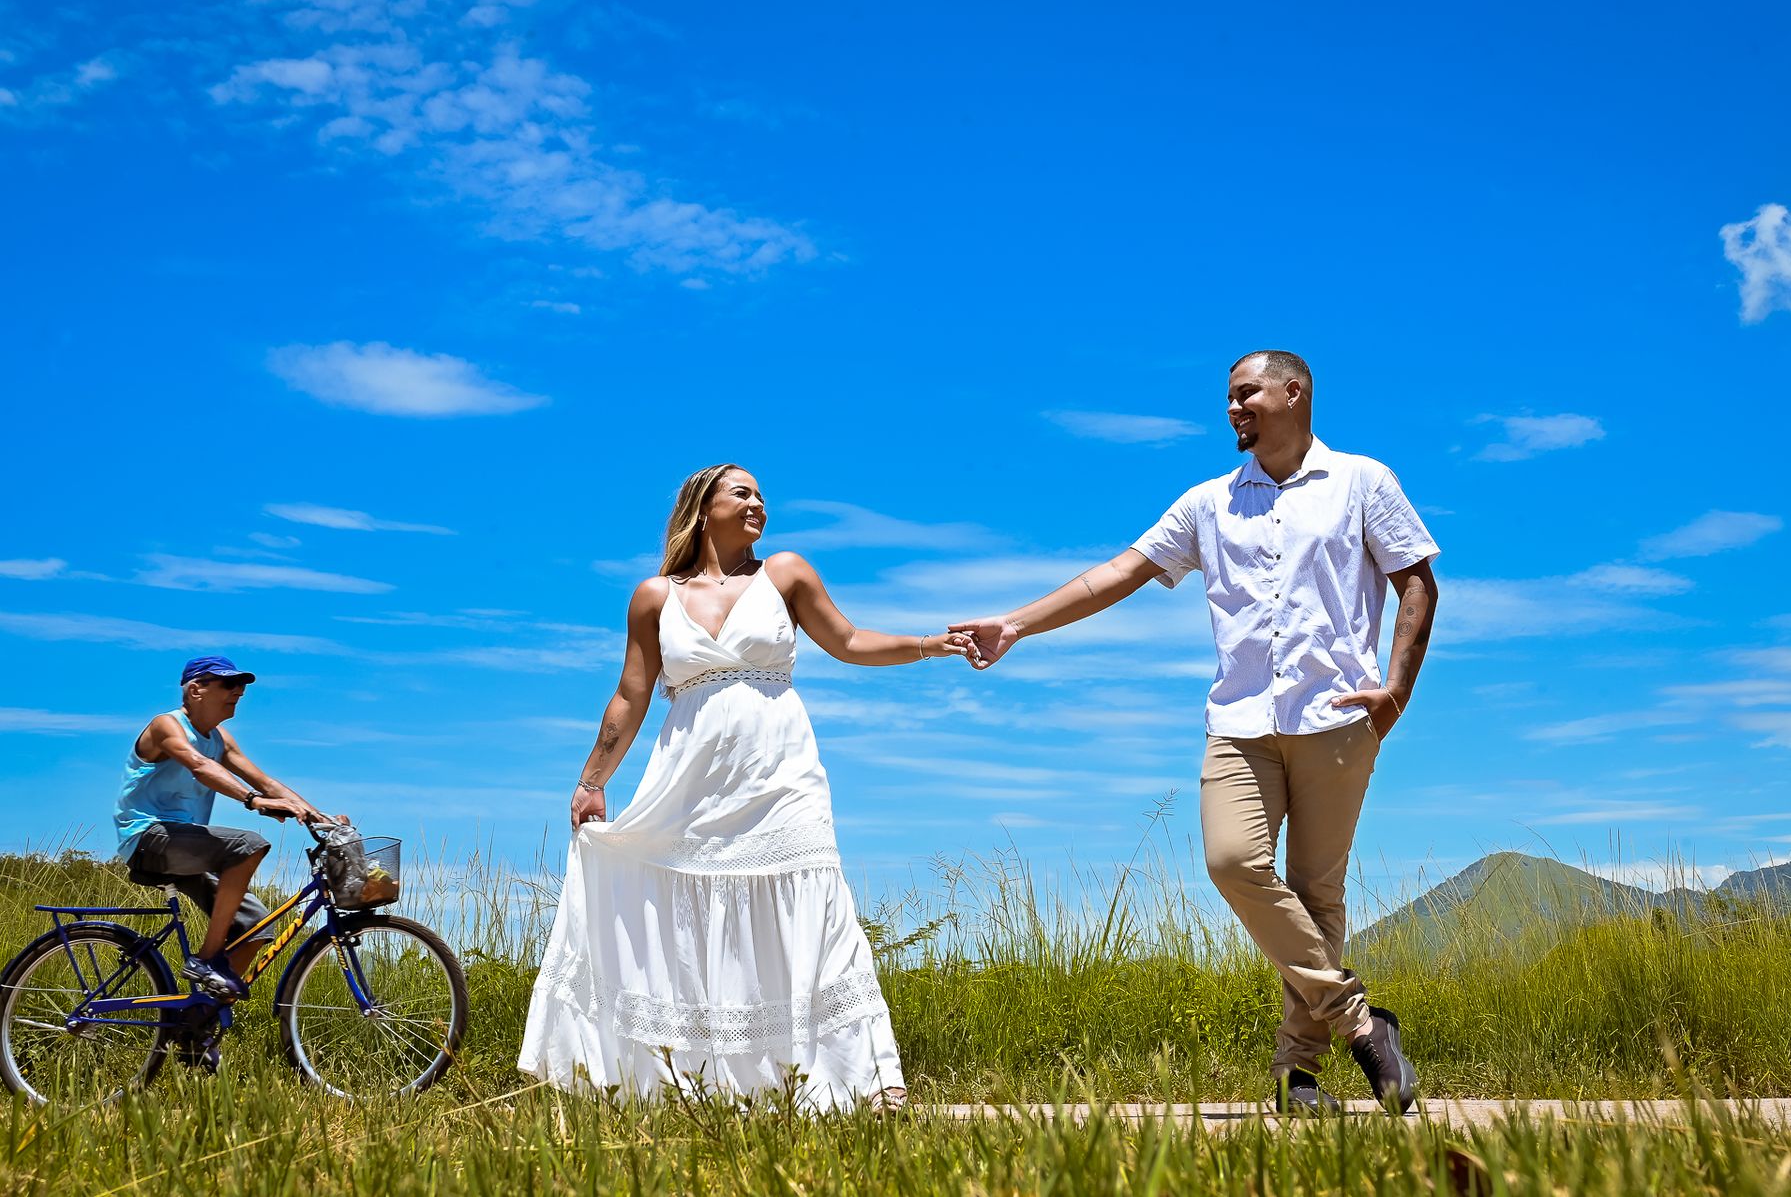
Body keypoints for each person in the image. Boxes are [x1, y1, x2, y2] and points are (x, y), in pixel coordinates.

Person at [951, 350, 1439, 1114]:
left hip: (1338, 715)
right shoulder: (1209, 503)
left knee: (1317, 895)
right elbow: (1118, 572)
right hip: (1240, 721)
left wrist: (1397, 691)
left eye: (1247, 393)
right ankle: (1360, 1022)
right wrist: (1016, 624)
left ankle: (1297, 1075)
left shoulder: (1363, 482)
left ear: (1293, 392)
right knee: (1232, 861)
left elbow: (1416, 580)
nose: (1233, 408)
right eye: (1229, 398)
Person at [519, 464, 979, 1111]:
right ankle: (708, 1080)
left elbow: (849, 641)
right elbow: (631, 693)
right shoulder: (654, 596)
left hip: (781, 771)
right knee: (688, 912)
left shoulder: (785, 573)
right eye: (742, 492)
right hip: (690, 780)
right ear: (702, 508)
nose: (758, 502)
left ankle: (870, 1079)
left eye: (762, 494)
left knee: (813, 891)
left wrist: (930, 644)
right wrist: (592, 781)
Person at [114, 656, 330, 1001]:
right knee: (248, 844)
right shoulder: (165, 726)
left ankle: (198, 1018)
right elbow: (199, 765)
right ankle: (206, 959)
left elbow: (265, 781)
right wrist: (253, 801)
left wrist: (320, 818)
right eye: (228, 684)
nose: (238, 691)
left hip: (185, 846)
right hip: (148, 838)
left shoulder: (219, 739)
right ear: (195, 690)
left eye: (241, 685)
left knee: (255, 925)